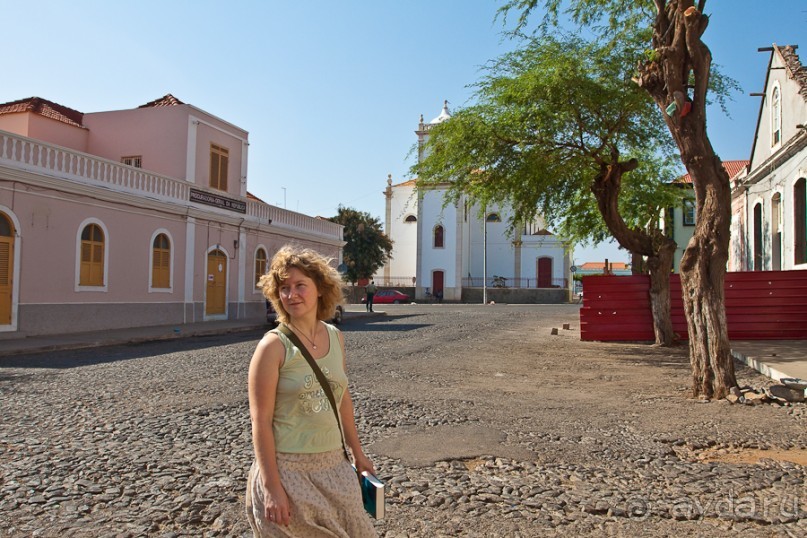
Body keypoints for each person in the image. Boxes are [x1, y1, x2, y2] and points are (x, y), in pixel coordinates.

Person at [246, 245, 376, 537]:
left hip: (335, 467)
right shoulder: (273, 347)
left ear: (320, 289)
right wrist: (271, 488)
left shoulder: (335, 337)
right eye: (284, 288)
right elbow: (260, 421)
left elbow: (342, 398)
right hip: (288, 474)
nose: (291, 295)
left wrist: (358, 455)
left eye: (300, 286)